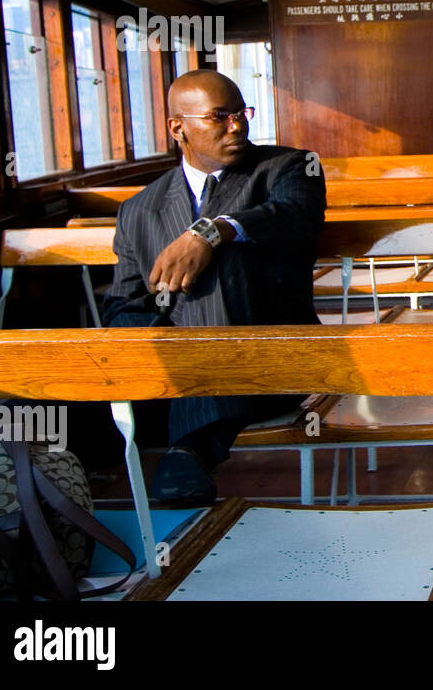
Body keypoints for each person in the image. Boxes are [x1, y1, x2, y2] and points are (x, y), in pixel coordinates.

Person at [102, 70, 326, 505]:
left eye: (241, 113)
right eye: (219, 116)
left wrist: (212, 232)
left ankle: (192, 446)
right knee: (30, 412)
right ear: (177, 127)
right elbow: (126, 303)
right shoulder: (138, 210)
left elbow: (291, 214)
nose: (237, 125)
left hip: (270, 361)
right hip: (171, 377)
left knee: (225, 264)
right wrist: (146, 361)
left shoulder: (289, 167)